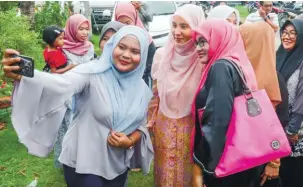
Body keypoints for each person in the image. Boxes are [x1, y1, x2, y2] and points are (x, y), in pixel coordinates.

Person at [2, 26, 153, 187]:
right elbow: (60, 84)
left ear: (143, 56)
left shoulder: (141, 90)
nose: (126, 55)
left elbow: (142, 125)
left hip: (118, 165)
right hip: (83, 162)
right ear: (112, 47)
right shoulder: (92, 73)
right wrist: (27, 75)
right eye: (121, 47)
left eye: (135, 52)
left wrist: (129, 141)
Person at [191, 19, 260, 187]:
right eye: (196, 43)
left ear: (220, 38)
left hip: (224, 162)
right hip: (243, 156)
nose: (198, 48)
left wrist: (203, 166)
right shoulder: (238, 62)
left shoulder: (221, 67)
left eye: (203, 42)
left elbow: (217, 122)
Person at [148, 4, 205, 187]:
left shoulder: (203, 59)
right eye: (174, 25)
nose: (177, 32)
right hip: (163, 126)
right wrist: (150, 122)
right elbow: (155, 94)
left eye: (184, 26)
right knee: (164, 176)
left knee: (187, 176)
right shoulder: (161, 55)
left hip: (192, 129)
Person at [239, 22, 282, 187]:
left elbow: (279, 125)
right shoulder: (242, 74)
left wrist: (274, 163)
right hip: (244, 157)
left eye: (242, 40)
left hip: (263, 161)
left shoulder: (274, 80)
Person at [53, 14, 95, 169]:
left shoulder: (90, 47)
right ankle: (66, 161)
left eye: (87, 29)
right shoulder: (61, 49)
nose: (85, 33)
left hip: (87, 91)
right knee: (67, 125)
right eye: (81, 29)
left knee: (85, 125)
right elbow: (56, 72)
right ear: (71, 29)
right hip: (68, 93)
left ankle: (84, 159)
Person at [276, 19, 303, 187]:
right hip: (277, 127)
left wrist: (292, 130)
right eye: (284, 32)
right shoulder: (280, 55)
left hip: (295, 131)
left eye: (293, 33)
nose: (287, 36)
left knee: (292, 174)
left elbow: (302, 98)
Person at [114, 2, 156, 88]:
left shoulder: (143, 40)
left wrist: (140, 9)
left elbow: (150, 18)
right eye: (120, 23)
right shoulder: (116, 35)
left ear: (135, 20)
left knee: (145, 73)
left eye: (127, 23)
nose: (124, 27)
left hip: (148, 48)